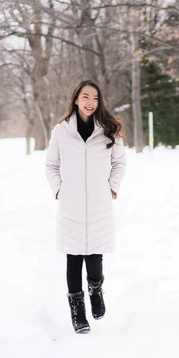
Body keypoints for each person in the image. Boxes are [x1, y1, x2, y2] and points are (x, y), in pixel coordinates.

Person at [45, 80, 127, 334]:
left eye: (95, 98)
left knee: (94, 255)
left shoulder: (108, 130)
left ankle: (96, 290)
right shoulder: (61, 131)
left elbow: (120, 163)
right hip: (71, 203)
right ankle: (77, 312)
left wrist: (112, 187)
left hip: (99, 202)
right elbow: (51, 165)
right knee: (73, 256)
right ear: (76, 99)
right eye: (85, 97)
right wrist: (59, 189)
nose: (90, 102)